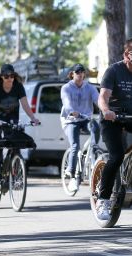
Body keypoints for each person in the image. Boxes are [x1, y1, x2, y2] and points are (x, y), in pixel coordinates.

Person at [0, 63, 39, 188]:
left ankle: (13, 176)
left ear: (14, 76)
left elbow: (25, 105)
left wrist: (33, 118)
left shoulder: (18, 87)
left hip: (10, 120)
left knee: (16, 144)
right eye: (6, 76)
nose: (9, 78)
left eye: (11, 76)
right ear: (2, 77)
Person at [97, 38, 132, 220]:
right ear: (127, 54)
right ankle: (103, 199)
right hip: (113, 118)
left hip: (131, 117)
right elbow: (103, 96)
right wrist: (106, 110)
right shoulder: (114, 70)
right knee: (116, 156)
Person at [60, 63, 100, 192]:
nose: (81, 75)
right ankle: (71, 173)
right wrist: (72, 111)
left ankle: (93, 150)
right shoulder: (66, 88)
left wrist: (105, 109)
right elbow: (66, 102)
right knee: (75, 146)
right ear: (72, 74)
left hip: (85, 118)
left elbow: (98, 99)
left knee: (95, 127)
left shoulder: (89, 87)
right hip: (70, 120)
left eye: (83, 72)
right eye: (78, 72)